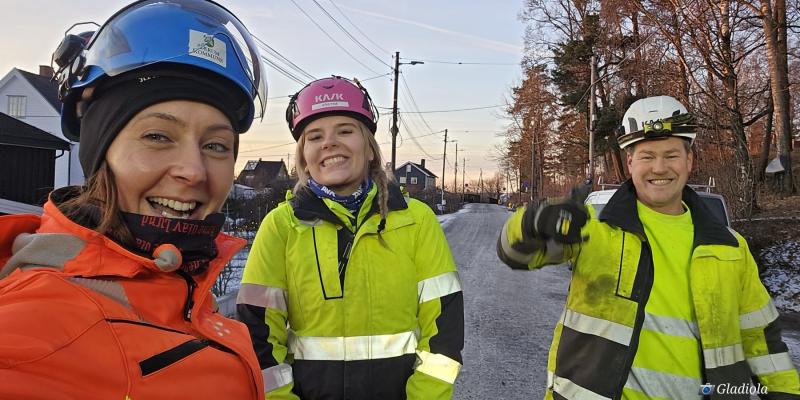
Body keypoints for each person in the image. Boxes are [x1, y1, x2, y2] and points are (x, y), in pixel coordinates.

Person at [0, 0, 269, 397]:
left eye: (216, 145)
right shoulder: (29, 335)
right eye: (157, 136)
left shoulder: (188, 290)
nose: (194, 171)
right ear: (101, 149)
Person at [497, 96, 800, 399]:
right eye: (647, 156)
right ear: (630, 163)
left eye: (671, 155)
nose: (659, 167)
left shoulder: (730, 247)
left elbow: (762, 339)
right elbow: (516, 253)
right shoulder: (597, 229)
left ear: (689, 160)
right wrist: (535, 222)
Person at [237, 76, 464, 399]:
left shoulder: (416, 221)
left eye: (345, 131)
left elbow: (443, 334)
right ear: (304, 156)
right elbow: (258, 337)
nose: (329, 143)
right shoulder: (281, 227)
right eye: (315, 136)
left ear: (369, 148)